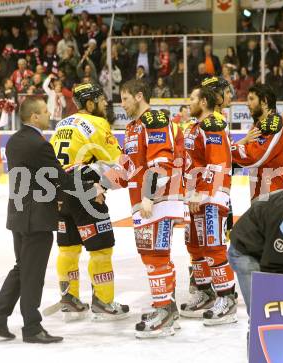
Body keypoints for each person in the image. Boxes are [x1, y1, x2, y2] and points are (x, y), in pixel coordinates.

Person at [0, 97, 101, 343]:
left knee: (22, 267)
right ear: (34, 116)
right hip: (36, 218)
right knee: (33, 272)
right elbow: (59, 178)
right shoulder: (39, 144)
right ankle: (32, 328)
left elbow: (39, 177)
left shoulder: (15, 141)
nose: (49, 114)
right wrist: (91, 190)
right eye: (45, 111)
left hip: (18, 215)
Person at [49, 83, 129, 321]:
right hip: (85, 194)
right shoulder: (97, 123)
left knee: (68, 248)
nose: (106, 104)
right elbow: (121, 164)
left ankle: (69, 299)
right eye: (102, 100)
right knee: (101, 249)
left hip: (59, 191)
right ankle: (104, 302)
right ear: (91, 103)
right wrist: (103, 184)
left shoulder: (62, 124)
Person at [113, 79, 185, 338]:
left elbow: (162, 162)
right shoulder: (133, 127)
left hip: (158, 201)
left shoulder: (154, 119)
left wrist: (148, 196)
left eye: (124, 98)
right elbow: (126, 166)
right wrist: (101, 186)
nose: (122, 104)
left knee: (155, 257)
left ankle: (163, 311)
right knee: (153, 255)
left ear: (139, 95)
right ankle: (168, 309)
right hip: (145, 201)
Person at [179, 86, 237, 325]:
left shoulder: (213, 125)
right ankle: (205, 292)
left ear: (203, 101)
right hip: (194, 197)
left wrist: (202, 193)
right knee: (194, 245)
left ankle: (227, 298)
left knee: (213, 247)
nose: (188, 101)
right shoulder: (195, 126)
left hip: (211, 196)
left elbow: (217, 163)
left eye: (192, 98)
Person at [231, 84, 283, 200]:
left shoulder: (273, 126)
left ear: (264, 101)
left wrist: (225, 149)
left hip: (279, 195)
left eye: (252, 99)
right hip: (268, 194)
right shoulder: (262, 124)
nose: (248, 104)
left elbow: (253, 157)